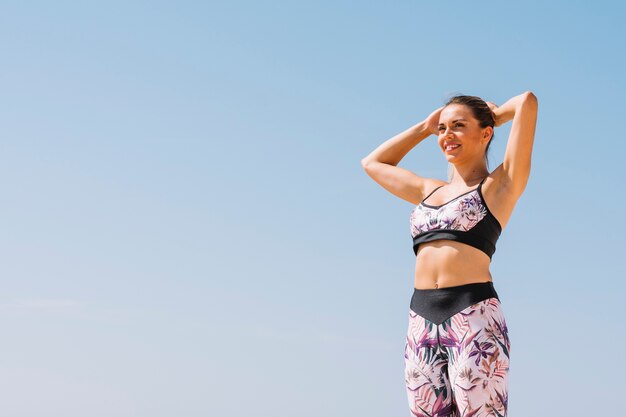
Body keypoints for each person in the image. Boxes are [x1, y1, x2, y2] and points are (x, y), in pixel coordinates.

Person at [360, 92, 538, 417]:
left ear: (485, 133)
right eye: (443, 129)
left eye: (458, 126)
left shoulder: (499, 185)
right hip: (421, 319)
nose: (446, 135)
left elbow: (526, 102)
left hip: (473, 316)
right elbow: (372, 163)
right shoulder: (427, 189)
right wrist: (424, 128)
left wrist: (494, 116)